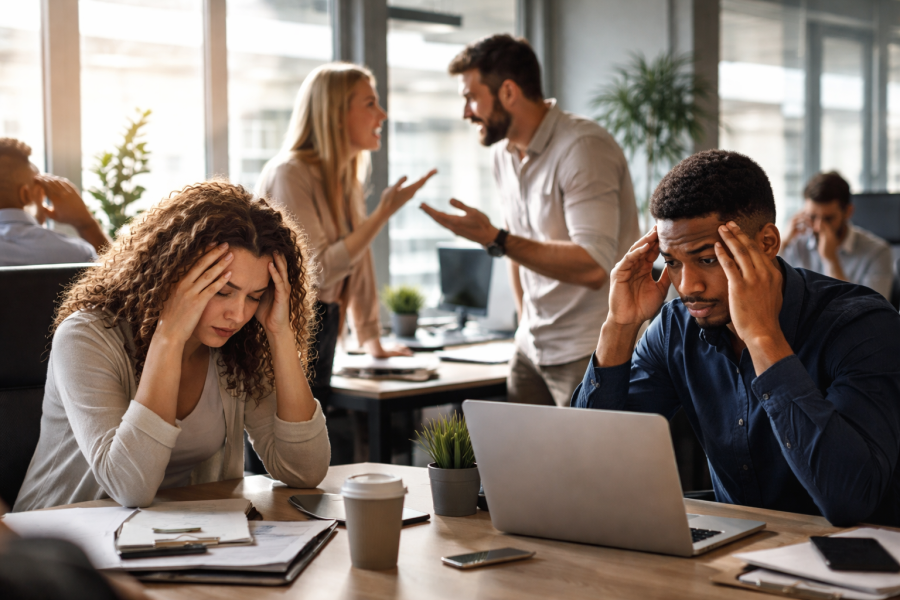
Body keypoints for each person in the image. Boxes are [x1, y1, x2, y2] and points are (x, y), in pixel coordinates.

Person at [572, 150, 900, 527]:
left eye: (707, 259)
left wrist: (763, 338)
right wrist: (619, 326)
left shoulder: (862, 325)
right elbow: (589, 462)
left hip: (851, 552)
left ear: (768, 243)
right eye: (673, 262)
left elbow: (850, 500)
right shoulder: (676, 327)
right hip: (734, 545)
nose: (687, 286)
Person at [13, 181, 330, 511]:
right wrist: (169, 336)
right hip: (58, 534)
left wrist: (280, 333)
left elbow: (304, 472)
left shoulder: (239, 347)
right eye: (223, 291)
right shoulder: (84, 337)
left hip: (174, 532)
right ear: (172, 274)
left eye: (254, 296)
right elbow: (130, 488)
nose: (237, 315)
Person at [421, 34, 641, 407]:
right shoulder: (504, 155)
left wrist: (496, 238)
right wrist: (525, 323)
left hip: (587, 349)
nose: (466, 112)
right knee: (515, 448)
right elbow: (515, 248)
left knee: (584, 450)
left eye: (471, 97)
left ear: (508, 92)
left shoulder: (582, 147)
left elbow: (593, 266)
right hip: (530, 347)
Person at [256, 63, 436, 406]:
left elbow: (358, 260)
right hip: (285, 328)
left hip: (324, 322)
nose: (382, 114)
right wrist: (382, 214)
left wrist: (371, 341)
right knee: (287, 433)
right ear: (336, 115)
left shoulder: (346, 180)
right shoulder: (289, 173)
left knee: (315, 431)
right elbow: (317, 270)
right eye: (370, 103)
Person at [780, 170, 893, 299]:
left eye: (828, 219)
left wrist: (831, 260)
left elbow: (873, 310)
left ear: (848, 212)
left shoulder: (878, 253)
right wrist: (782, 243)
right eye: (812, 217)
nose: (818, 227)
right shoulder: (795, 244)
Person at [0, 137, 108, 266]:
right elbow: (118, 273)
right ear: (25, 195)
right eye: (41, 192)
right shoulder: (78, 253)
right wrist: (86, 224)